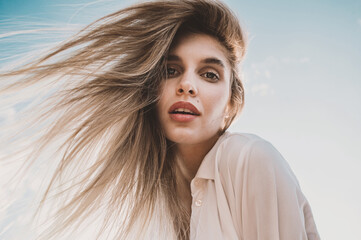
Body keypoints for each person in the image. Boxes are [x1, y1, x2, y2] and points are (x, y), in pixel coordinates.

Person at [0, 0, 320, 239]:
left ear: (231, 106)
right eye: (171, 71)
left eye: (209, 74)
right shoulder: (155, 205)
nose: (187, 85)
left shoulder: (249, 157)